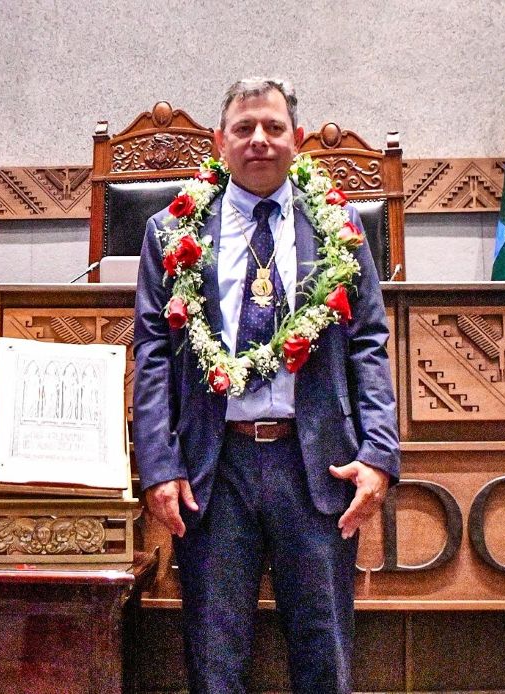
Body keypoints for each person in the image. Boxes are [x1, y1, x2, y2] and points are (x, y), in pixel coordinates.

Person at [133, 77, 400, 694]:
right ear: (218, 141)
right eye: (244, 128)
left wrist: (379, 454)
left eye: (273, 128)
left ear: (297, 140)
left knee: (322, 655)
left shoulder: (339, 226)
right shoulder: (171, 234)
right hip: (213, 468)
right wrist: (157, 464)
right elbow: (151, 351)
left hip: (316, 467)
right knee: (215, 658)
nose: (259, 140)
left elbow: (368, 344)